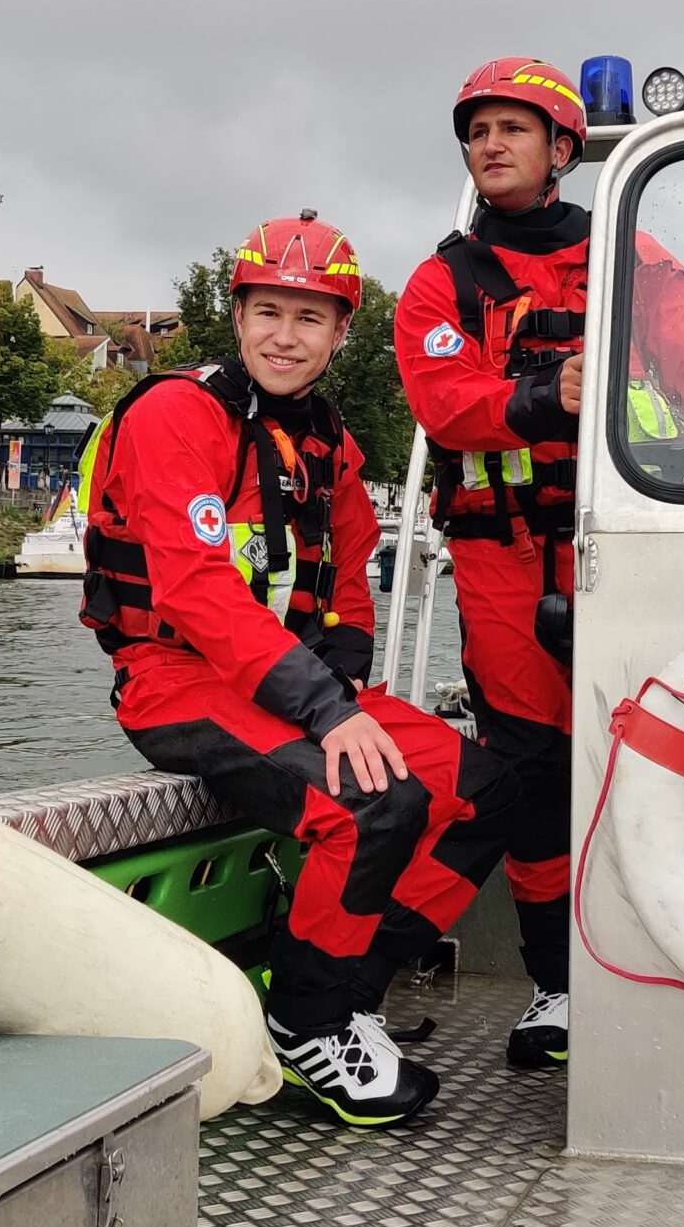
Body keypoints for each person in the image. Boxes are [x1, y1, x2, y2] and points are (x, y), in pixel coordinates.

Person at [78, 211, 525, 1127]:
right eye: (269, 311)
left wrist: (346, 688)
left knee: (486, 789)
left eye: (310, 317)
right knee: (374, 805)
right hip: (176, 681)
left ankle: (349, 986)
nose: (286, 335)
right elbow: (196, 590)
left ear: (340, 332)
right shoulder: (177, 415)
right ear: (236, 316)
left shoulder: (331, 445)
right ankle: (304, 1021)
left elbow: (351, 582)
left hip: (287, 686)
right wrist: (326, 712)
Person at [395, 58, 684, 1068]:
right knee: (529, 778)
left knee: (654, 751)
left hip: (624, 548)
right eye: (476, 130)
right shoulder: (442, 282)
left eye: (512, 128)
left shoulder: (630, 258)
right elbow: (443, 403)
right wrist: (537, 399)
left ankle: (681, 954)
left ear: (562, 149)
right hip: (500, 559)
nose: (489, 145)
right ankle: (555, 987)